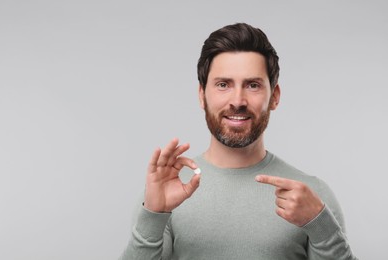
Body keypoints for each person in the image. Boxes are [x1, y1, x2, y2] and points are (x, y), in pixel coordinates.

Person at [120, 23, 357, 259]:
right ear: (202, 95)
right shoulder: (166, 191)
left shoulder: (311, 196)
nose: (238, 101)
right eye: (223, 85)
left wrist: (321, 226)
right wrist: (153, 215)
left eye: (253, 85)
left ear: (274, 97)